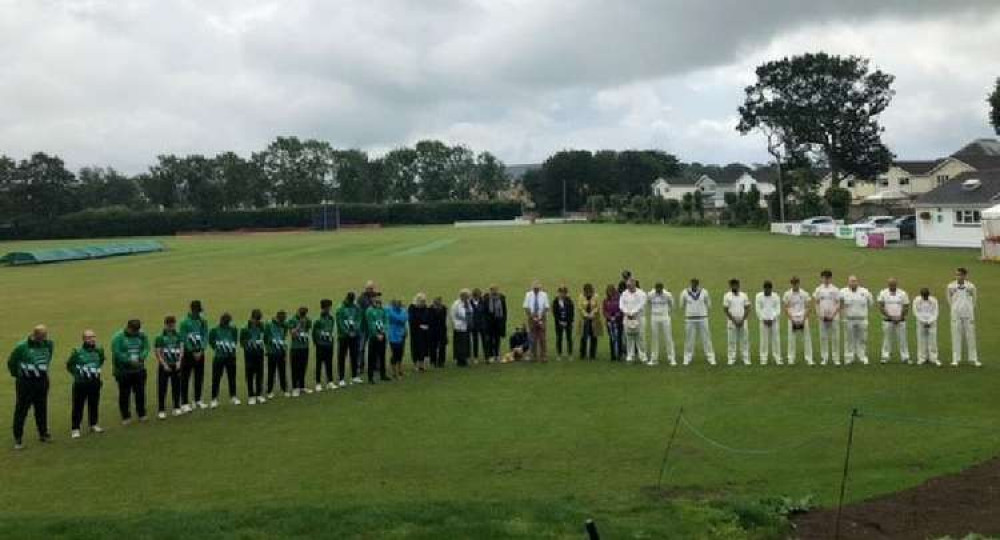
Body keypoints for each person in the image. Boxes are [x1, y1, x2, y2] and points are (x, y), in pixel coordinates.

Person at [8, 325, 54, 450]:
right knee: (21, 409)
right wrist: (20, 375)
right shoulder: (22, 347)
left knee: (41, 407)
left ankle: (43, 433)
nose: (43, 339)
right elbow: (12, 362)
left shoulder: (48, 344)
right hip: (25, 383)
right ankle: (18, 438)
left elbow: (48, 358)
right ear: (35, 335)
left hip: (42, 381)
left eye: (45, 337)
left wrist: (40, 372)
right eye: (41, 337)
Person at [67, 330, 105, 437]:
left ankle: (93, 424)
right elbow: (70, 365)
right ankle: (75, 428)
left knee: (94, 403)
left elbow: (101, 361)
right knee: (78, 406)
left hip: (94, 382)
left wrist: (94, 373)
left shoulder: (99, 350)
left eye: (93, 336)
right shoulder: (77, 352)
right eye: (89, 337)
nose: (92, 339)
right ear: (84, 339)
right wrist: (78, 374)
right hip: (81, 383)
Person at [111, 319, 150, 424]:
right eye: (133, 331)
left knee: (140, 393)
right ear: (128, 328)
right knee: (124, 394)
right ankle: (125, 416)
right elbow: (117, 353)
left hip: (139, 370)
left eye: (137, 331)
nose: (135, 333)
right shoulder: (118, 337)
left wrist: (142, 357)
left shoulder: (141, 335)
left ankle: (141, 413)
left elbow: (146, 347)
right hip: (124, 371)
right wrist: (129, 361)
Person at [179, 300, 209, 411]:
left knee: (199, 377)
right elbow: (183, 338)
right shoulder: (184, 322)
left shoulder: (203, 321)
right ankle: (184, 403)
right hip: (188, 354)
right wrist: (192, 351)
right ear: (193, 310)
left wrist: (201, 350)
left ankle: (197, 400)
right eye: (198, 311)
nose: (199, 313)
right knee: (185, 378)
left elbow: (205, 335)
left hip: (200, 353)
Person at [947, 267, 979, 367]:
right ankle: (955, 359)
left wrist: (969, 310)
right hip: (956, 315)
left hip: (968, 315)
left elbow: (974, 300)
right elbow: (949, 300)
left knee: (971, 337)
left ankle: (974, 359)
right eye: (957, 274)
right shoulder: (950, 286)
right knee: (955, 336)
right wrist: (954, 309)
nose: (958, 276)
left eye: (960, 274)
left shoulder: (971, 286)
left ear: (965, 275)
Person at [154, 316, 184, 418]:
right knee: (162, 388)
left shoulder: (178, 335)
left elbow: (181, 348)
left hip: (176, 365)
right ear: (166, 325)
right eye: (170, 325)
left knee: (176, 387)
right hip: (165, 366)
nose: (171, 327)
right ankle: (161, 410)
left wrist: (179, 361)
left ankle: (176, 407)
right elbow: (158, 352)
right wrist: (164, 364)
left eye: (173, 325)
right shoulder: (160, 337)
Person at [208, 313, 240, 407]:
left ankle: (233, 397)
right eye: (225, 323)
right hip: (219, 358)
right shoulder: (214, 330)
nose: (226, 324)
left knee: (232, 377)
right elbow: (211, 341)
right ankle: (214, 399)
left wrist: (230, 348)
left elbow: (234, 340)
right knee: (216, 378)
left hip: (231, 357)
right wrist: (219, 348)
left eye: (228, 323)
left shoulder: (233, 329)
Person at [840, 275, 873, 366]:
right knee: (848, 339)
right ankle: (849, 358)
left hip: (862, 319)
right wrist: (843, 317)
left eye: (855, 281)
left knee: (862, 339)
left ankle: (862, 357)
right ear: (848, 282)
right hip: (849, 319)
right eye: (851, 281)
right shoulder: (842, 292)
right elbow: (840, 305)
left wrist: (863, 313)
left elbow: (871, 303)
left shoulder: (865, 292)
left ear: (858, 282)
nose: (853, 283)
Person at [681, 278, 715, 365]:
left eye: (695, 284)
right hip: (690, 319)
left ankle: (711, 357)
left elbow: (709, 304)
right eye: (693, 283)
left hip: (702, 318)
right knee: (689, 339)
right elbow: (681, 305)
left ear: (698, 284)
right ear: (690, 283)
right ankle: (687, 358)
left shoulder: (704, 292)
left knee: (706, 338)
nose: (694, 285)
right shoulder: (685, 292)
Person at [877, 278, 911, 364]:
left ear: (896, 284)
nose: (892, 286)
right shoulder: (883, 293)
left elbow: (906, 306)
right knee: (887, 339)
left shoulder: (902, 293)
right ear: (888, 284)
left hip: (901, 320)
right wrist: (890, 317)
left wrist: (900, 317)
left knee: (903, 339)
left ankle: (905, 357)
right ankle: (885, 356)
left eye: (894, 284)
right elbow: (881, 306)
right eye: (891, 285)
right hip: (888, 320)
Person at [783, 277, 813, 366]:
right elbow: (786, 307)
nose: (795, 285)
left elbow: (808, 307)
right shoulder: (787, 294)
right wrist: (791, 319)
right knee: (791, 339)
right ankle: (791, 359)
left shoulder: (804, 293)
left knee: (807, 339)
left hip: (803, 318)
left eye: (796, 283)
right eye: (793, 283)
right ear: (791, 284)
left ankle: (809, 359)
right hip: (792, 319)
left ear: (799, 283)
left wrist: (804, 319)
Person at [239, 309, 267, 405]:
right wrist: (249, 343)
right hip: (249, 354)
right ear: (252, 318)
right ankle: (251, 396)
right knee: (250, 374)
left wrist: (261, 343)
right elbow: (241, 342)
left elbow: (264, 337)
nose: (257, 322)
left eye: (259, 320)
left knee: (260, 374)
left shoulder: (262, 326)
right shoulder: (245, 328)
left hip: (259, 353)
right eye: (256, 320)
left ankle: (259, 394)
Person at [814, 271, 841, 366]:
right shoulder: (818, 290)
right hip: (822, 317)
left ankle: (836, 358)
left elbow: (838, 303)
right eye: (824, 278)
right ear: (821, 278)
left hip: (834, 317)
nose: (826, 280)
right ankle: (824, 358)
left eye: (828, 278)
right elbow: (816, 303)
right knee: (823, 338)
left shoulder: (835, 289)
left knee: (835, 337)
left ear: (831, 278)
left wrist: (833, 315)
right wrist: (819, 315)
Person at [336, 292, 364, 385]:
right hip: (343, 336)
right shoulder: (340, 308)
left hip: (354, 335)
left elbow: (359, 319)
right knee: (342, 356)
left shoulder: (355, 307)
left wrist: (355, 330)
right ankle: (341, 378)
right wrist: (347, 332)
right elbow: (339, 322)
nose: (351, 301)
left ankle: (354, 376)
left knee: (354, 355)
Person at [619, 278, 649, 364]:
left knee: (640, 337)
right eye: (627, 286)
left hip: (639, 318)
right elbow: (621, 304)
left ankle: (643, 356)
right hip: (627, 318)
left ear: (634, 285)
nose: (628, 287)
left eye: (630, 286)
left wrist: (633, 312)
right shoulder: (624, 294)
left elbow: (641, 304)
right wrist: (627, 312)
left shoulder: (641, 294)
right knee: (629, 337)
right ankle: (630, 356)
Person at [723, 279, 752, 366]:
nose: (734, 286)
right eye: (732, 285)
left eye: (736, 285)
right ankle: (731, 359)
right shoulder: (727, 296)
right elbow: (725, 310)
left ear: (738, 285)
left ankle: (746, 359)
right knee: (731, 341)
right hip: (732, 321)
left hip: (743, 321)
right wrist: (734, 320)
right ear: (730, 286)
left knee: (744, 341)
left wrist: (743, 320)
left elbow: (748, 308)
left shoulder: (744, 295)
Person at [646, 282, 674, 366]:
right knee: (654, 338)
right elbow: (648, 303)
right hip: (654, 317)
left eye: (660, 289)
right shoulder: (651, 294)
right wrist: (654, 311)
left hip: (665, 317)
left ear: (662, 288)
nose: (658, 291)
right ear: (655, 288)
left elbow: (672, 304)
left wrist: (667, 312)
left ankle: (671, 358)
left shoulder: (667, 294)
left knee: (668, 337)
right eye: (657, 289)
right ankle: (654, 359)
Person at [312, 299, 337, 391]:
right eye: (329, 307)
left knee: (329, 363)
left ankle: (330, 381)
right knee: (319, 364)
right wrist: (317, 343)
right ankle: (318, 383)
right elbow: (314, 334)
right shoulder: (318, 320)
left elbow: (331, 330)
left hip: (329, 344)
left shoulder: (331, 318)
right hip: (321, 345)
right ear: (325, 308)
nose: (330, 309)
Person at [264, 310, 290, 398]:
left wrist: (283, 346)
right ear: (279, 318)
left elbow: (284, 335)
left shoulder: (284, 325)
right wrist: (268, 348)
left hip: (281, 351)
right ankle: (269, 391)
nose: (284, 320)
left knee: (282, 371)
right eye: (283, 319)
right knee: (271, 372)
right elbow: (265, 338)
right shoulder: (269, 325)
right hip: (272, 352)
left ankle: (284, 389)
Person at [755, 281, 782, 366]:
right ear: (764, 288)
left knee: (776, 340)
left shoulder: (775, 296)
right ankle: (763, 359)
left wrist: (772, 318)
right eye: (766, 289)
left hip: (774, 321)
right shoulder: (759, 296)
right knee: (763, 340)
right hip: (763, 321)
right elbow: (758, 309)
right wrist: (764, 319)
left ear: (771, 288)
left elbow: (778, 309)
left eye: (769, 289)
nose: (768, 291)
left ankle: (778, 358)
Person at [366, 295, 391, 383]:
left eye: (379, 299)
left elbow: (386, 321)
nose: (378, 301)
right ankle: (370, 377)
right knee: (372, 357)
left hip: (382, 336)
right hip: (374, 337)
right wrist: (377, 334)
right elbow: (370, 324)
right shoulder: (369, 311)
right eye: (376, 299)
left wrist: (383, 332)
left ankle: (383, 374)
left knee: (382, 355)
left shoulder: (382, 310)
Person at [523, 280, 550, 362]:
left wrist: (540, 317)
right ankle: (533, 356)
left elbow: (547, 307)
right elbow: (526, 307)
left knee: (542, 338)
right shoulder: (528, 294)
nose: (536, 289)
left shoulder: (544, 295)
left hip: (542, 318)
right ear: (532, 288)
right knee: (533, 338)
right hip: (531, 319)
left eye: (537, 288)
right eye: (535, 288)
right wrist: (532, 316)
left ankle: (543, 356)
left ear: (540, 288)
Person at [913, 288, 941, 367]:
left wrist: (929, 321)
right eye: (924, 296)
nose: (925, 297)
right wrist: (923, 321)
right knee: (921, 340)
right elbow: (916, 312)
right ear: (921, 295)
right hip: (921, 323)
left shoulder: (934, 300)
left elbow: (936, 312)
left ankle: (934, 358)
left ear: (929, 295)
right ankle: (922, 358)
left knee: (933, 340)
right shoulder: (916, 300)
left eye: (926, 296)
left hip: (932, 323)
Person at [288, 306, 312, 397]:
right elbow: (292, 334)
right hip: (295, 348)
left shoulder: (308, 320)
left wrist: (305, 325)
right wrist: (299, 325)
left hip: (305, 347)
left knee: (303, 367)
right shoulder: (292, 320)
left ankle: (302, 387)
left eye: (304, 315)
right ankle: (295, 388)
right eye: (302, 314)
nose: (303, 316)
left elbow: (308, 330)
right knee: (295, 368)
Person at [577, 283, 603, 360]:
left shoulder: (596, 296)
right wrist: (585, 314)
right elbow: (580, 307)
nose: (588, 293)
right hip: (584, 320)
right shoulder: (581, 296)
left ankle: (592, 355)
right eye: (586, 292)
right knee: (584, 337)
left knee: (594, 337)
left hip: (594, 320)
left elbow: (598, 306)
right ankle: (582, 354)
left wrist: (592, 313)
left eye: (589, 291)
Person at [483, 285, 508, 364]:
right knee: (489, 340)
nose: (494, 292)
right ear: (490, 291)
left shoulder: (502, 298)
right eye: (493, 290)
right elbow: (484, 311)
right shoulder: (486, 299)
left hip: (498, 322)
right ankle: (491, 355)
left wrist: (503, 321)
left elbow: (504, 311)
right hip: (489, 322)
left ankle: (497, 355)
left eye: (495, 290)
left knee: (497, 339)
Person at [408, 293, 432, 371]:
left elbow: (427, 318)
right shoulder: (412, 307)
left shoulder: (425, 308)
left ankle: (422, 364)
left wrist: (424, 323)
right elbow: (412, 320)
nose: (423, 303)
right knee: (415, 347)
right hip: (415, 332)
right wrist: (420, 324)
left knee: (423, 348)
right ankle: (415, 364)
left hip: (424, 332)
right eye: (422, 301)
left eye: (424, 301)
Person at [387, 299, 409, 379]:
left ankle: (400, 370)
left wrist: (402, 317)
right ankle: (394, 372)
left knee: (400, 353)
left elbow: (405, 318)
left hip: (401, 334)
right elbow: (401, 318)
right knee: (395, 353)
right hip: (393, 335)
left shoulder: (400, 311)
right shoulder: (390, 311)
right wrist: (402, 315)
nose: (399, 306)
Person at [552, 285, 575, 360]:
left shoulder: (569, 301)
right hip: (558, 323)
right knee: (559, 338)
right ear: (558, 293)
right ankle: (559, 354)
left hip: (568, 323)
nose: (562, 294)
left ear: (566, 293)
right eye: (560, 292)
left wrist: (569, 322)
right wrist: (559, 321)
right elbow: (554, 313)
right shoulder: (555, 301)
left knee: (569, 338)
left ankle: (570, 354)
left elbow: (571, 313)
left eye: (564, 293)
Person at [451, 289, 472, 367]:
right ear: (463, 296)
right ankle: (460, 360)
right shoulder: (456, 304)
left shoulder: (467, 303)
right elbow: (453, 314)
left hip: (466, 326)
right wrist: (455, 324)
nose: (468, 298)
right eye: (467, 296)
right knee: (459, 344)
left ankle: (465, 358)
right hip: (459, 326)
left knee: (466, 343)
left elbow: (470, 311)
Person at [602, 285, 623, 361]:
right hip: (609, 322)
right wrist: (609, 317)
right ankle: (613, 355)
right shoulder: (605, 300)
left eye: (611, 291)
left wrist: (616, 316)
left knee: (619, 338)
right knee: (612, 338)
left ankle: (619, 354)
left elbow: (621, 309)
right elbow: (604, 311)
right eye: (608, 292)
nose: (610, 293)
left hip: (618, 322)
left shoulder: (619, 299)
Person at [429, 296, 449, 368]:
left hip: (442, 330)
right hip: (433, 330)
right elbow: (430, 320)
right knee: (433, 347)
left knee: (442, 347)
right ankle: (433, 361)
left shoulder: (443, 308)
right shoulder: (430, 309)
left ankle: (441, 361)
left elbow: (444, 319)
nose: (439, 303)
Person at [469, 288, 486, 363]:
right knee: (475, 341)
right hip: (474, 324)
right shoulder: (469, 302)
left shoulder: (483, 302)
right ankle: (475, 357)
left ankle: (487, 356)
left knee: (484, 341)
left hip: (482, 324)